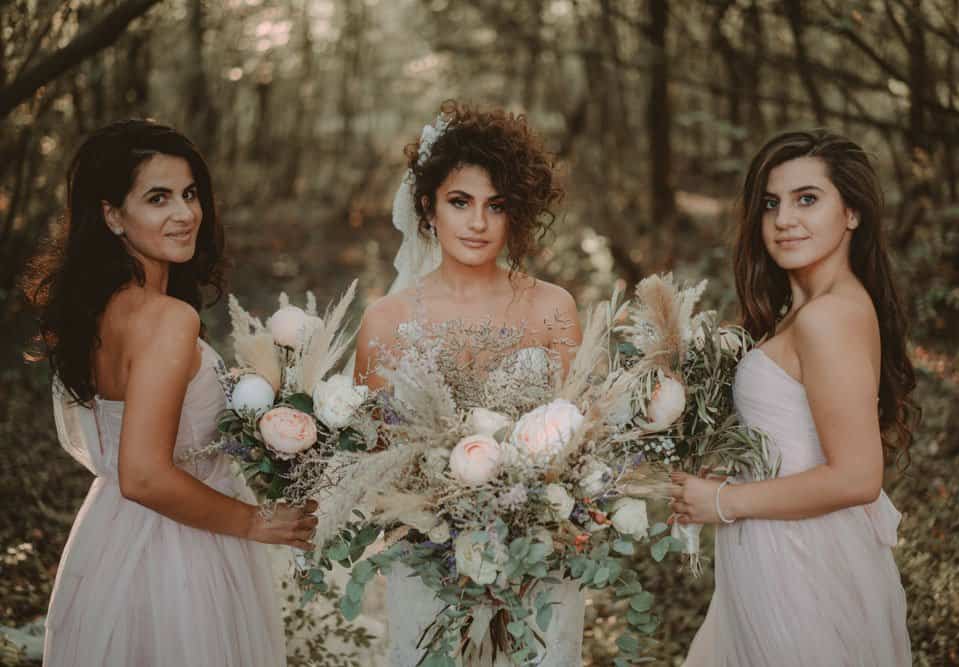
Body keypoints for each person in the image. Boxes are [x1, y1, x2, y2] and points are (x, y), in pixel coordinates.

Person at [23, 119, 317, 667]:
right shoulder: (165, 319)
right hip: (176, 556)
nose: (185, 213)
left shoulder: (100, 309)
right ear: (112, 215)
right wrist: (255, 521)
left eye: (190, 193)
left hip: (110, 540)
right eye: (158, 198)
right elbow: (143, 475)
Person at [669, 130, 915, 666]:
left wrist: (724, 500)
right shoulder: (808, 309)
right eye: (770, 203)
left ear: (852, 213)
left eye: (807, 199)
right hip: (774, 550)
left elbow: (858, 477)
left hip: (803, 563)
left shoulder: (829, 316)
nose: (784, 219)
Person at [353, 102, 584, 666]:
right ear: (427, 206)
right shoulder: (385, 321)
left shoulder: (553, 308)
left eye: (495, 205)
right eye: (460, 202)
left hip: (538, 567)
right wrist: (444, 517)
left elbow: (581, 441)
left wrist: (525, 514)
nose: (478, 223)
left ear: (516, 213)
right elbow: (371, 463)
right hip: (428, 566)